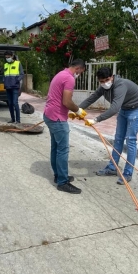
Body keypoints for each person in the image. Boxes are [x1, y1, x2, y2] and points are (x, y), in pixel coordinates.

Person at [79, 67, 138, 185]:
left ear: (112, 77)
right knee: (118, 139)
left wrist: (96, 120)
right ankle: (112, 168)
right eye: (101, 81)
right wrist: (77, 110)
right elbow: (92, 98)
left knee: (130, 140)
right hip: (125, 109)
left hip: (137, 109)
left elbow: (115, 108)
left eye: (107, 80)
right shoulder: (103, 87)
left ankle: (127, 173)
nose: (105, 83)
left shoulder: (120, 85)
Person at [43, 59, 87, 194]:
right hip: (57, 118)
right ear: (78, 68)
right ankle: (62, 182)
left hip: (49, 114)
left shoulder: (60, 74)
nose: (79, 74)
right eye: (81, 72)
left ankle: (58, 175)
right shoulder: (69, 78)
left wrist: (71, 111)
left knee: (56, 147)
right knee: (62, 150)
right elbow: (67, 101)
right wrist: (78, 111)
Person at [3, 50, 24, 123]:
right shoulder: (5, 65)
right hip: (8, 87)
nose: (7, 58)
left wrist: (16, 80)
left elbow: (22, 74)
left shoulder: (18, 63)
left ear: (12, 56)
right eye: (6, 57)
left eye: (8, 57)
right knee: (10, 103)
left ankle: (18, 120)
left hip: (15, 86)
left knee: (15, 103)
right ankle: (12, 119)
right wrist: (4, 80)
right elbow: (4, 75)